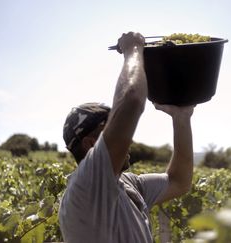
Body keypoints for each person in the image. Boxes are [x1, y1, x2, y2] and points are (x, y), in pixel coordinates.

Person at [58, 32, 195, 243]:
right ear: (91, 144)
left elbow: (180, 181)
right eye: (110, 128)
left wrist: (181, 118)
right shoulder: (87, 187)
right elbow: (132, 99)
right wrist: (132, 49)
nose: (127, 138)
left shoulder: (128, 184)